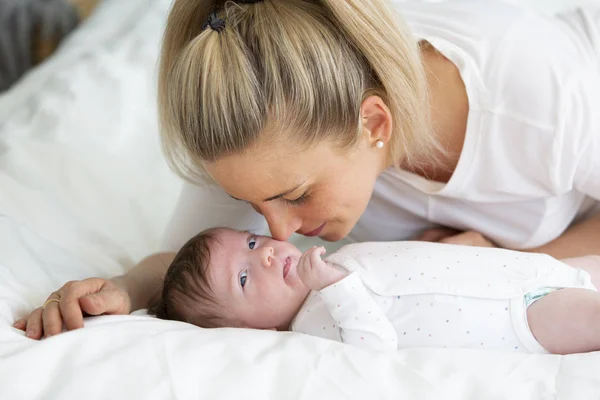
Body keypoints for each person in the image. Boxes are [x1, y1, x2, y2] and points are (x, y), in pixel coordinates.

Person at [14, 0, 600, 340]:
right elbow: (191, 261)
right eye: (256, 206)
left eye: (294, 194)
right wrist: (116, 291)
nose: (276, 232)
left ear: (374, 123)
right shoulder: (260, 135)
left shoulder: (544, 103)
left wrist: (500, 262)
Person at [150, 227, 600, 355]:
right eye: (244, 278)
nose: (264, 255)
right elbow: (372, 349)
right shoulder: (312, 328)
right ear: (254, 329)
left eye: (251, 242)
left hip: (522, 273)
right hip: (517, 320)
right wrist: (337, 287)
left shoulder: (328, 261)